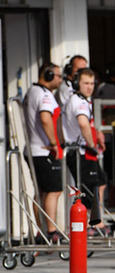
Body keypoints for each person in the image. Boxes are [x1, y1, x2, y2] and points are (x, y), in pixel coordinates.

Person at [62, 68, 110, 235]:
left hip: (83, 150)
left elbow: (87, 124)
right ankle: (92, 224)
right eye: (85, 83)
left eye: (92, 83)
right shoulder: (79, 102)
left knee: (101, 182)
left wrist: (97, 135)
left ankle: (98, 220)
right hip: (80, 151)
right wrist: (92, 145)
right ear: (77, 83)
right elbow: (83, 123)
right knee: (89, 187)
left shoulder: (83, 100)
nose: (89, 87)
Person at [23, 63, 64, 242]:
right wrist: (54, 143)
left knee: (41, 192)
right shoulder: (43, 94)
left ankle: (42, 232)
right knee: (53, 190)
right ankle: (51, 231)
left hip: (34, 149)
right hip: (42, 150)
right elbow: (45, 119)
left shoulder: (33, 91)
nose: (60, 80)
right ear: (48, 75)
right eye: (57, 76)